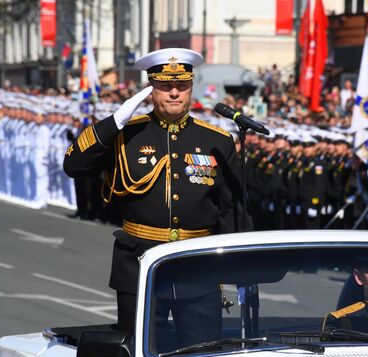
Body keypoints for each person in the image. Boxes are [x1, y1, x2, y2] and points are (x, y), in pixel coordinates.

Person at [63, 48, 250, 347]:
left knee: (202, 351)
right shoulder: (127, 135)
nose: (174, 93)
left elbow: (233, 209)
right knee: (139, 349)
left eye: (182, 85)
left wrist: (243, 268)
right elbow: (74, 165)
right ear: (150, 89)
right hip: (139, 265)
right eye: (165, 86)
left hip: (198, 267)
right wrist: (114, 122)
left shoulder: (216, 140)